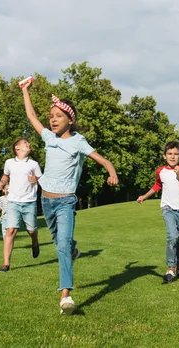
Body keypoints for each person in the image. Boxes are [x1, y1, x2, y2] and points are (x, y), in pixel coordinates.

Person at [22, 79, 119, 315]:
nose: (52, 119)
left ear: (70, 120)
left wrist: (112, 171)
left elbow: (102, 159)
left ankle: (65, 294)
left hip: (66, 201)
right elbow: (32, 116)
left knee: (61, 247)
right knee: (61, 243)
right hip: (46, 201)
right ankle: (74, 251)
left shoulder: (78, 142)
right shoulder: (48, 138)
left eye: (58, 116)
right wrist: (25, 91)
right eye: (51, 116)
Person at [136, 141, 179, 284]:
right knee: (172, 236)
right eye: (169, 154)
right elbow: (157, 185)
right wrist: (144, 196)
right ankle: (170, 268)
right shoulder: (160, 171)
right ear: (164, 156)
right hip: (167, 208)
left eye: (176, 154)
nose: (172, 157)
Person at [0, 137, 43, 273]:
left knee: (31, 230)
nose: (28, 144)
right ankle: (6, 263)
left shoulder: (34, 164)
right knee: (11, 230)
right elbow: (6, 176)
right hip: (13, 201)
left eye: (28, 143)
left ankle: (35, 241)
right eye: (25, 143)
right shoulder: (9, 162)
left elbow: (41, 180)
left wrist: (36, 179)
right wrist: (1, 182)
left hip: (29, 202)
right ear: (17, 148)